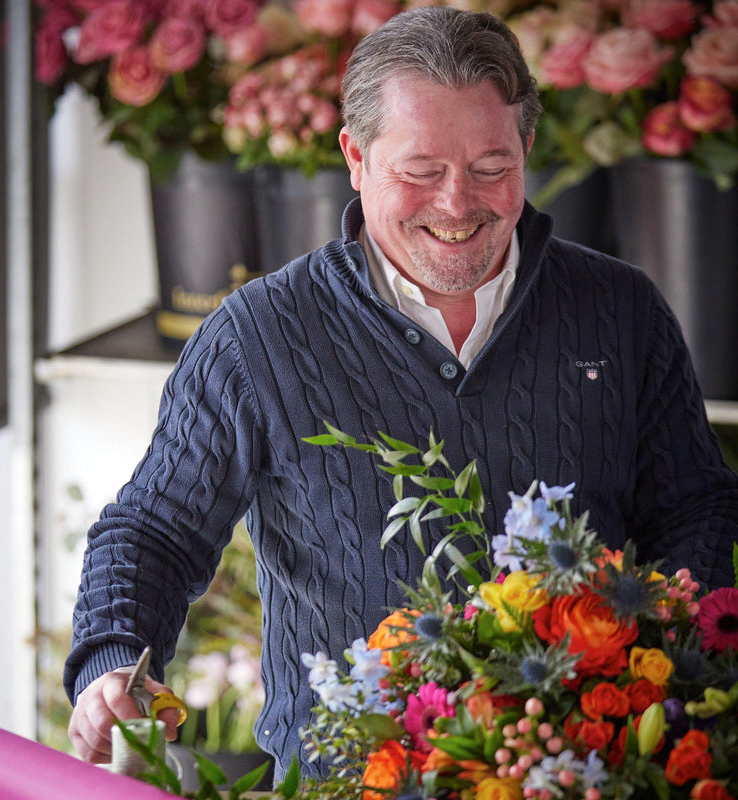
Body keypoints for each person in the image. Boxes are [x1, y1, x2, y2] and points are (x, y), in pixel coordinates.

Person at [65, 5, 738, 782]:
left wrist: (672, 661)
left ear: (527, 147)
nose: (458, 204)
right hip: (345, 783)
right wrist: (114, 662)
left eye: (491, 166)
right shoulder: (256, 338)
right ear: (356, 156)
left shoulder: (621, 310)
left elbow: (697, 506)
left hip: (588, 773)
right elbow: (154, 528)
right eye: (421, 171)